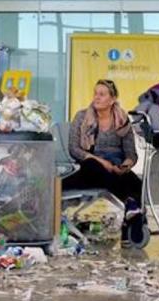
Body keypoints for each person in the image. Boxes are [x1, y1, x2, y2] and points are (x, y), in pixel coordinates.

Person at [63, 79, 146, 247]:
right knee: (95, 167)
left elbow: (131, 153)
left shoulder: (122, 120)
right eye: (95, 93)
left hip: (115, 167)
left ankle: (130, 226)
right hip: (89, 166)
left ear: (112, 99)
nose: (96, 97)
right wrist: (103, 162)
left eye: (102, 94)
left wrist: (125, 166)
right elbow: (74, 149)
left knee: (136, 183)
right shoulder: (82, 117)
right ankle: (130, 207)